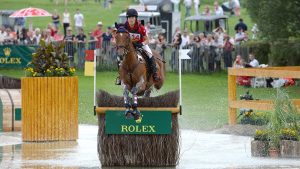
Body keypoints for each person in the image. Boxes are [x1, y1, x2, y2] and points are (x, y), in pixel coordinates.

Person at [115, 8, 160, 85]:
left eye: (133, 17)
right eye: (129, 17)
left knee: (149, 54)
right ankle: (120, 76)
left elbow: (147, 40)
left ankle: (154, 73)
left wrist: (141, 44)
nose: (131, 19)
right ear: (127, 19)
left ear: (136, 18)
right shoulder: (125, 28)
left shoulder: (141, 27)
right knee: (119, 58)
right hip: (129, 47)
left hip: (141, 45)